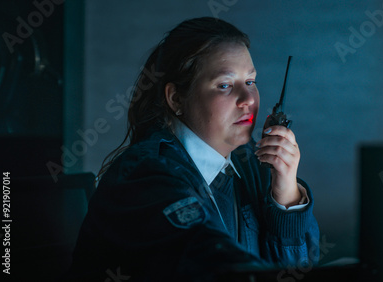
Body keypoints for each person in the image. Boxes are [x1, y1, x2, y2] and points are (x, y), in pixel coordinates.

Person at [66, 17, 319, 281]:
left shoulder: (250, 162)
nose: (248, 100)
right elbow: (204, 259)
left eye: (250, 82)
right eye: (224, 85)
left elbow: (295, 271)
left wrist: (286, 196)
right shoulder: (144, 175)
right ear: (176, 98)